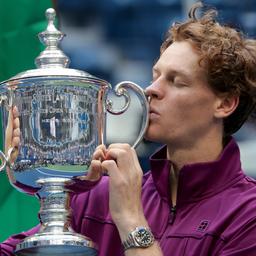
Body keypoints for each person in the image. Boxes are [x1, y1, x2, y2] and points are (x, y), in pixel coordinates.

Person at [1, 2, 256, 255]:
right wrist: (43, 183)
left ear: (224, 104)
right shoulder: (95, 197)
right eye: (155, 75)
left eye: (176, 81)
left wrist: (131, 218)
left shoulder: (247, 215)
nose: (151, 89)